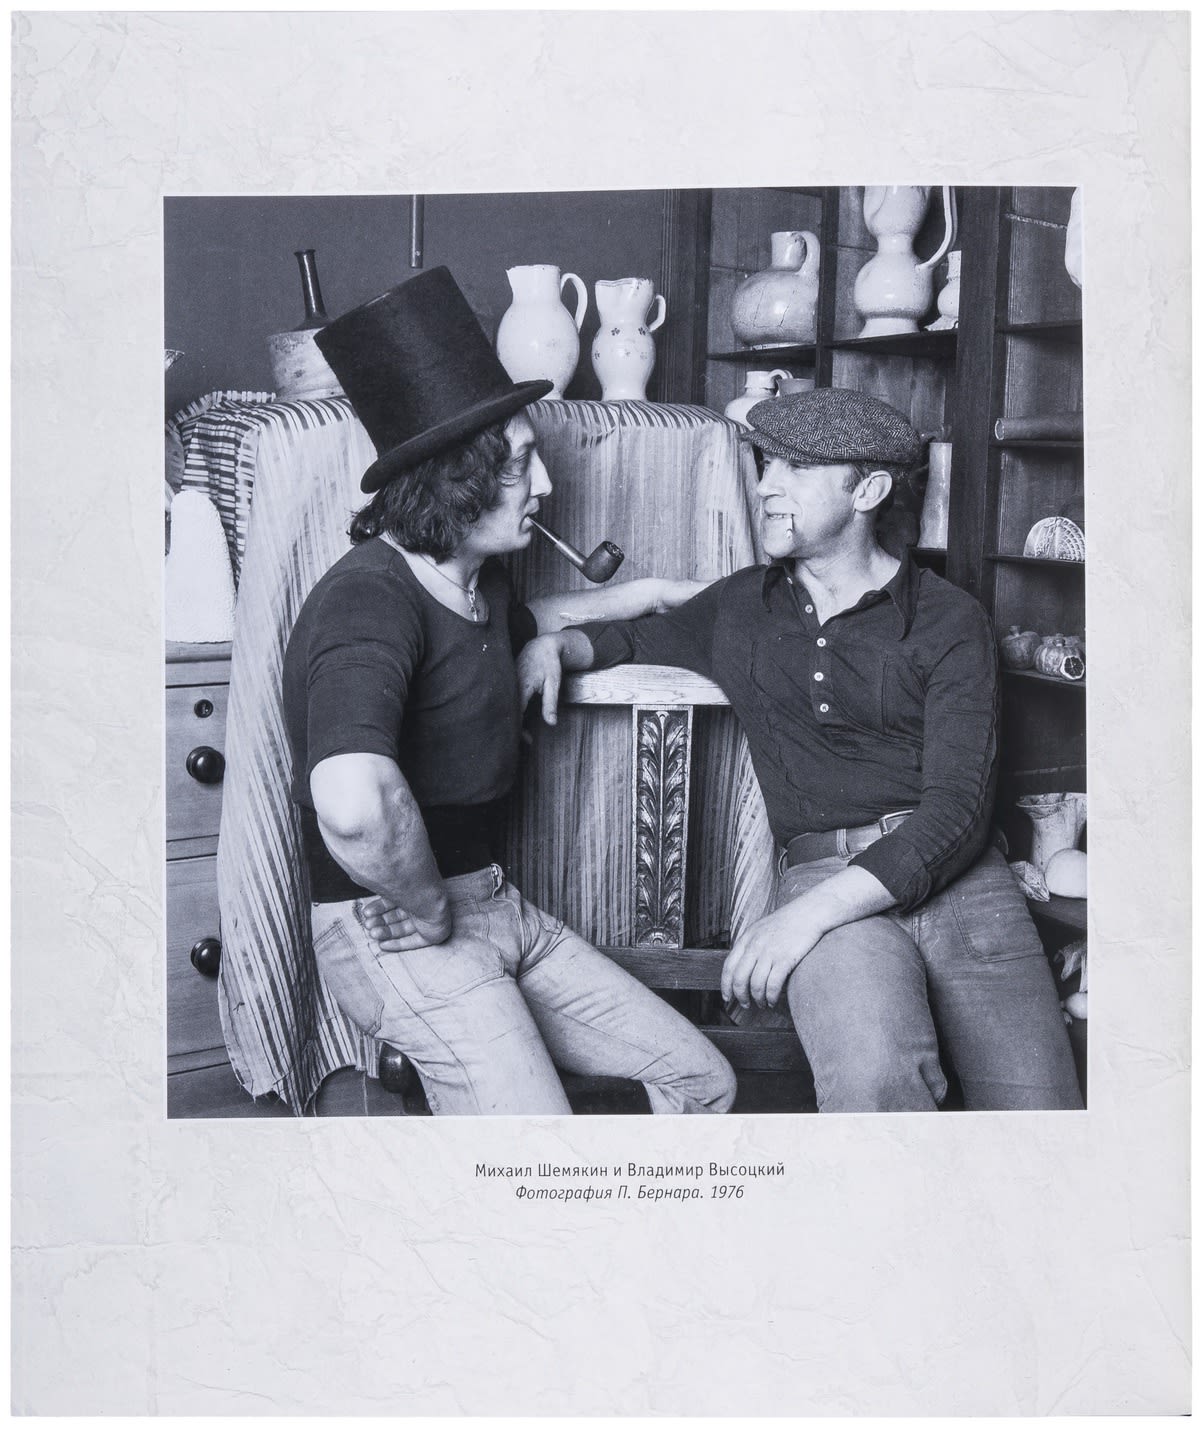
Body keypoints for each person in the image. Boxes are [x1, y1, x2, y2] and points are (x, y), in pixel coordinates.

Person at [519, 387, 1083, 1112]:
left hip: (963, 881)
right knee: (875, 1080)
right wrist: (557, 645)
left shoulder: (950, 620)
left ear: (868, 492)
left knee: (1043, 1113)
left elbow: (957, 813)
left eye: (797, 468)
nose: (765, 486)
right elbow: (624, 637)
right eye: (766, 464)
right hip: (821, 871)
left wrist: (801, 921)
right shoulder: (742, 607)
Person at [281, 265, 736, 1117]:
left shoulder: (472, 585)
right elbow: (352, 804)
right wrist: (427, 907)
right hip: (394, 927)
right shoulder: (368, 599)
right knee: (534, 1147)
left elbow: (529, 618)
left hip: (496, 905)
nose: (547, 487)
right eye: (523, 465)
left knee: (703, 1081)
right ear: (457, 478)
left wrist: (646, 595)